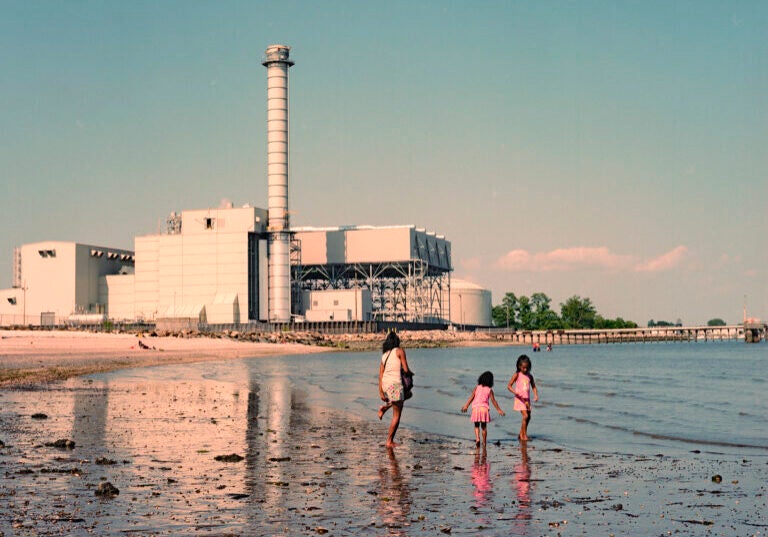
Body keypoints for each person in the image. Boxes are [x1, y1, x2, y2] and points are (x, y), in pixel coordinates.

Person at [378, 331, 412, 448]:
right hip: (395, 385)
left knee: (407, 395)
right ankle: (389, 441)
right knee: (397, 416)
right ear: (397, 341)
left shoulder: (384, 355)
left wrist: (381, 392)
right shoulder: (399, 351)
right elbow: (406, 370)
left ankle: (385, 407)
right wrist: (410, 373)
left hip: (386, 385)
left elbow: (381, 374)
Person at [461, 371, 505, 448]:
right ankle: (484, 442)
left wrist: (466, 406)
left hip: (476, 408)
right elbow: (493, 401)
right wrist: (499, 410)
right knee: (484, 427)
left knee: (476, 425)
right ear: (490, 381)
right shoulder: (489, 390)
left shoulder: (477, 387)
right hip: (484, 409)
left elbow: (471, 397)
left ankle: (477, 438)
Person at [507, 354, 539, 441]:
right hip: (519, 399)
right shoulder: (517, 375)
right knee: (525, 416)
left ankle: (521, 433)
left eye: (527, 368)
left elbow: (533, 386)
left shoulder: (530, 376)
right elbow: (509, 386)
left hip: (527, 400)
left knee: (529, 417)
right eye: (523, 368)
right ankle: (523, 436)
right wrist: (515, 392)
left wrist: (536, 395)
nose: (525, 369)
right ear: (519, 366)